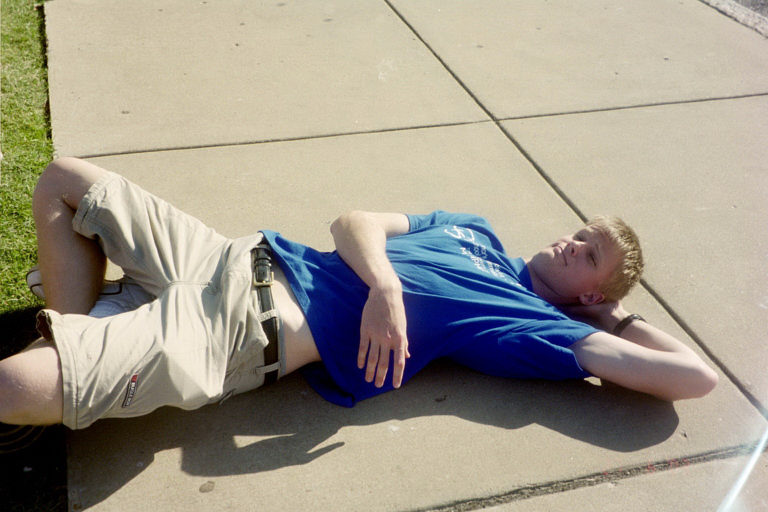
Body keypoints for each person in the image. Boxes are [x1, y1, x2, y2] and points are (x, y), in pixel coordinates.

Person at [0, 158, 718, 430]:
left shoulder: (528, 321)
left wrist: (616, 316)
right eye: (578, 233)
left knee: (15, 385)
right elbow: (353, 222)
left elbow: (694, 377)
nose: (568, 243)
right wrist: (385, 286)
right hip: (228, 254)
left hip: (245, 329)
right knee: (66, 181)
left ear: (590, 296)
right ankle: (87, 324)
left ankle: (90, 334)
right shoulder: (474, 229)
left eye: (588, 255)